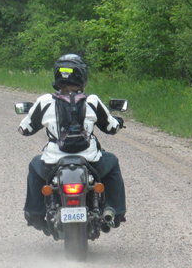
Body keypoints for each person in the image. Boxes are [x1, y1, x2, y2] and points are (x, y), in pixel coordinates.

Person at [18, 54, 127, 233]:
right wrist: (119, 121)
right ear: (82, 76)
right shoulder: (92, 101)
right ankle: (115, 212)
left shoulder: (45, 101)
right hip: (91, 162)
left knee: (34, 166)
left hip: (52, 163)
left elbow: (25, 129)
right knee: (112, 161)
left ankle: (35, 214)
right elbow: (112, 128)